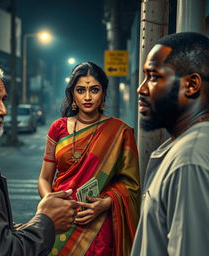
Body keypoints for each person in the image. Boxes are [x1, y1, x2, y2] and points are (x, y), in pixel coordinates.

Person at [0, 59, 79, 256]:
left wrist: (35, 225)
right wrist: (46, 221)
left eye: (3, 100)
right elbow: (2, 251)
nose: (3, 111)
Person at [38, 62, 140, 256]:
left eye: (94, 90)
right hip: (61, 219)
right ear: (72, 95)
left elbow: (131, 184)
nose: (87, 97)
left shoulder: (120, 132)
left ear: (103, 93)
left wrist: (105, 203)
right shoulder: (57, 128)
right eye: (80, 90)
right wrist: (53, 203)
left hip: (99, 223)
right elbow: (44, 178)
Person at [131, 32, 209, 256]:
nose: (141, 89)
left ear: (191, 84)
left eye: (154, 77)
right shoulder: (191, 146)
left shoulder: (190, 161)